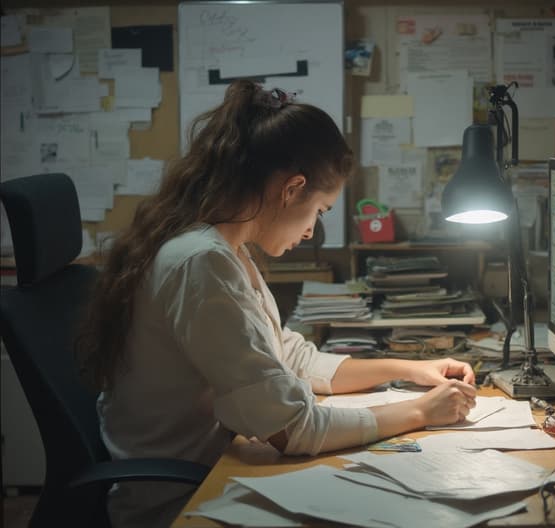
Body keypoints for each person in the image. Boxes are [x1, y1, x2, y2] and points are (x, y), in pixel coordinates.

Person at [76, 80, 476, 528]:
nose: (311, 231)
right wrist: (421, 411)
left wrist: (407, 369)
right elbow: (293, 430)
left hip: (220, 472)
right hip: (182, 503)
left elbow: (290, 358)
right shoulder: (201, 262)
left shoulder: (223, 248)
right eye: (320, 211)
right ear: (292, 189)